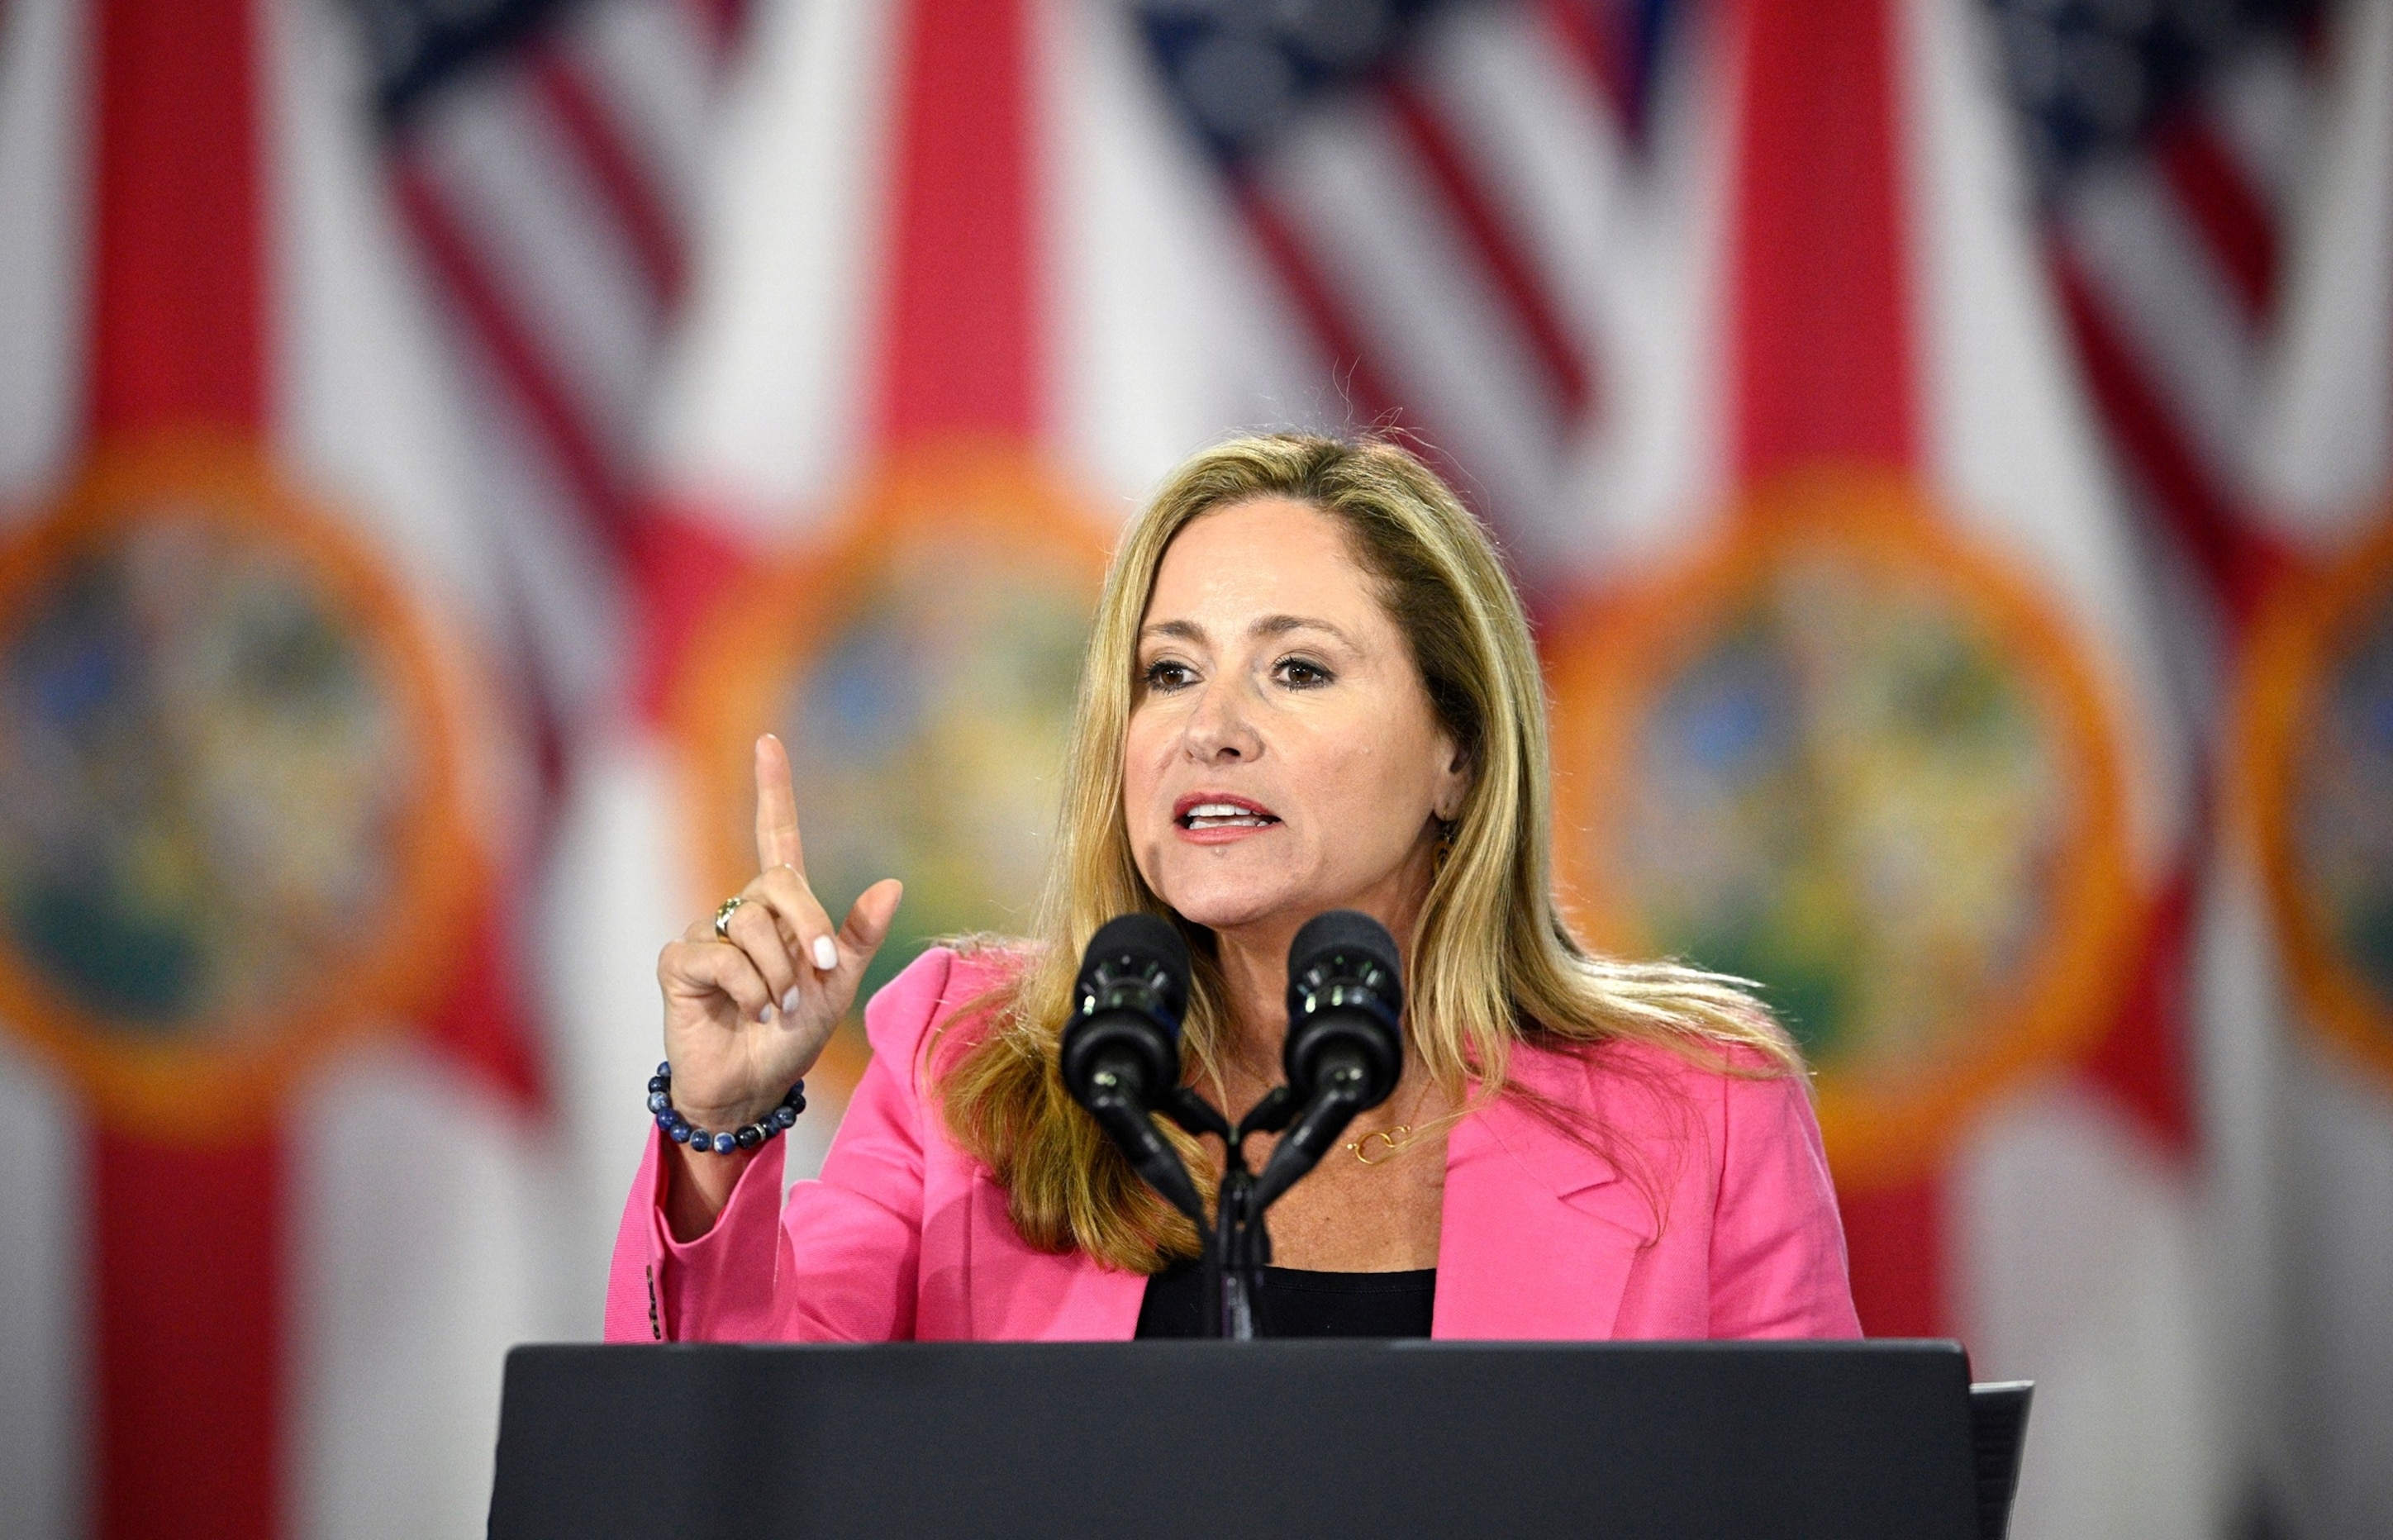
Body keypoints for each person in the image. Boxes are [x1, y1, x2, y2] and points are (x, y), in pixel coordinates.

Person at [607, 433, 1858, 1343]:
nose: (1210, 730)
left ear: (1458, 752)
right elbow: (734, 1456)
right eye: (1167, 674)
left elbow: (1813, 1507)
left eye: (1298, 671)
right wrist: (716, 1133)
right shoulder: (972, 1068)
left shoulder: (1706, 1110)